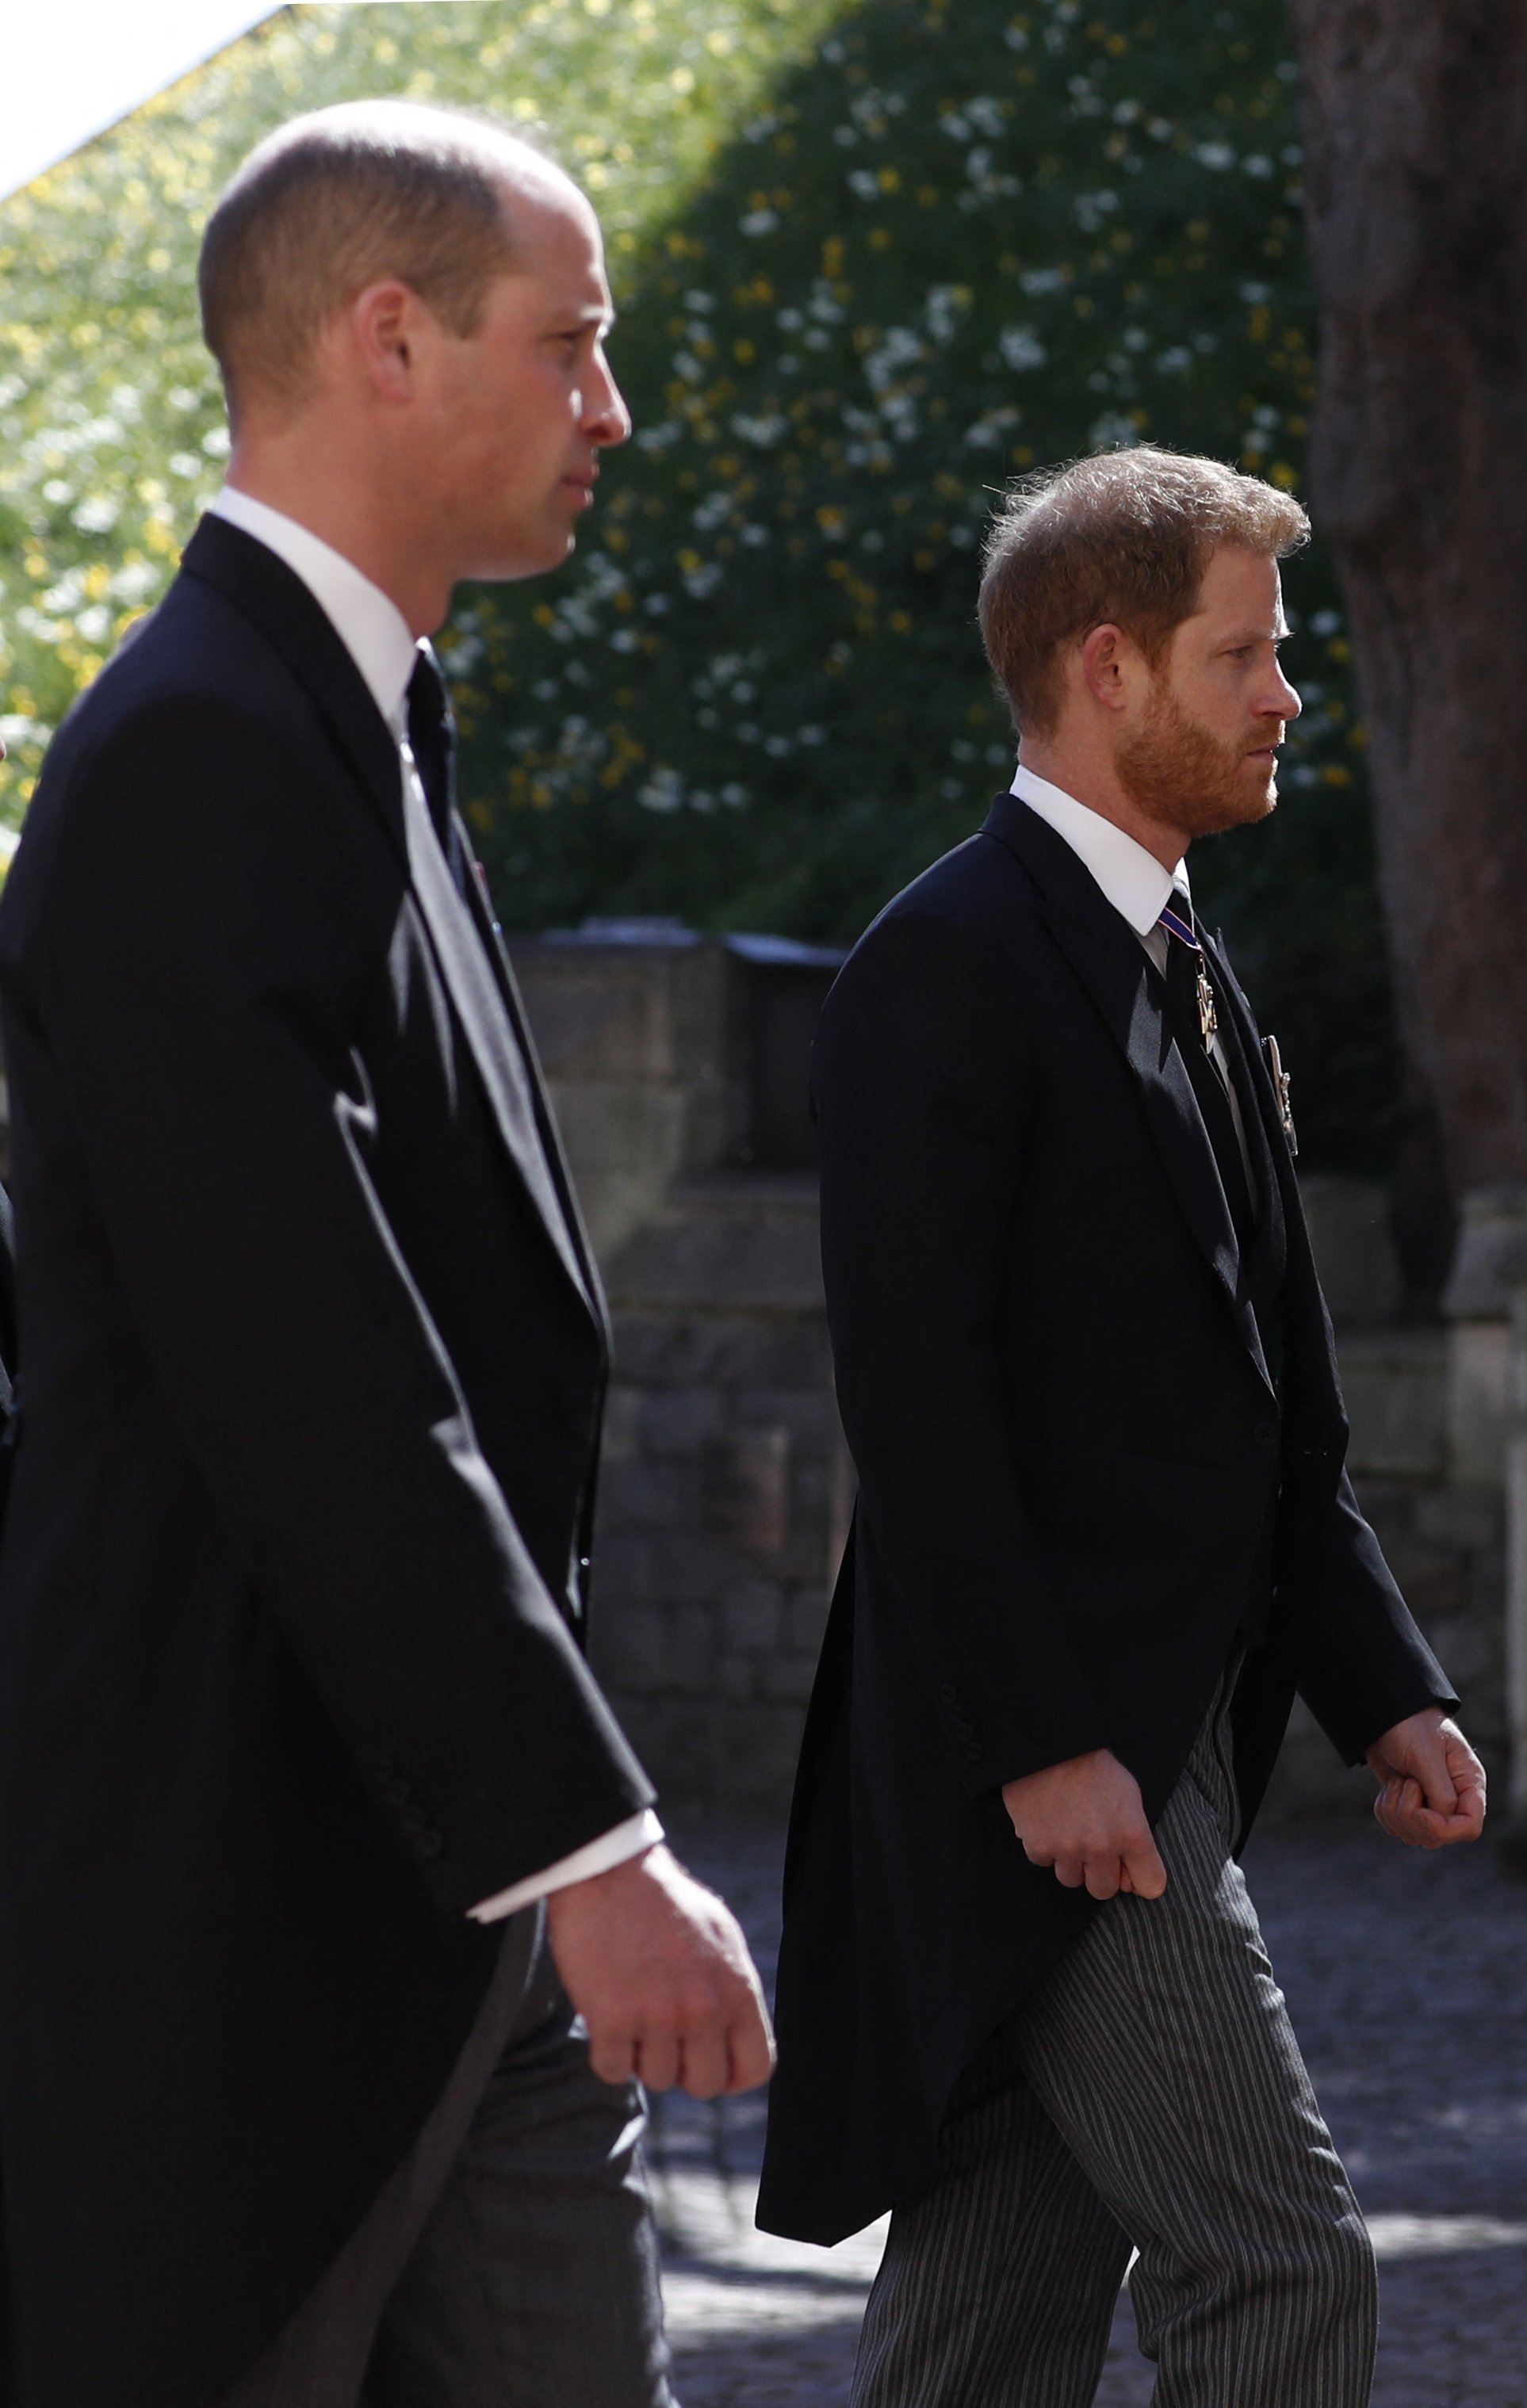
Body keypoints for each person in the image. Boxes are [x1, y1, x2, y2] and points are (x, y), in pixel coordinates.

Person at [0, 101, 771, 2408]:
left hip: (453, 1920)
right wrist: (587, 1837)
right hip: (240, 1925)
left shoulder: (361, 724)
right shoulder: (195, 755)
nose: (608, 412)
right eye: (576, 347)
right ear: (391, 336)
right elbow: (310, 1359)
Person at [756, 446, 1486, 2406]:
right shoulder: (945, 965)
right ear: (1108, 666)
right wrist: (1050, 1740)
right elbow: (920, 1407)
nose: (1284, 695)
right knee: (1283, 2261)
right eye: (1243, 654)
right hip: (1062, 1767)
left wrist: (1384, 1685)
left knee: (987, 2325)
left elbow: (1272, 1410)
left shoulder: (1195, 974)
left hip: (1148, 1744)